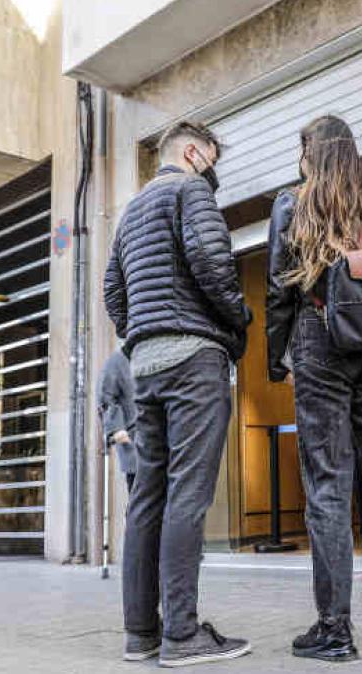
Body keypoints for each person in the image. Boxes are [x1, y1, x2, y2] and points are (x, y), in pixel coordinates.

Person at [266, 115, 362, 662]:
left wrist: (273, 358)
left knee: (329, 486)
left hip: (320, 341)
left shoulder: (293, 205)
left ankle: (335, 628)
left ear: (310, 153)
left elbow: (279, 291)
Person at [103, 120, 253, 666]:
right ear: (195, 152)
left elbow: (112, 290)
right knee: (188, 495)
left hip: (147, 365)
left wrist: (141, 335)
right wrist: (238, 323)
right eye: (214, 155)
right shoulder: (191, 190)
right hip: (194, 358)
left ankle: (141, 634)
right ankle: (183, 636)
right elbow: (214, 266)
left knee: (148, 497)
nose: (216, 167)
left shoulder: (131, 209)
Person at [97, 348, 138, 491]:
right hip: (135, 443)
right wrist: (117, 429)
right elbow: (105, 397)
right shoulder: (118, 360)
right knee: (140, 501)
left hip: (164, 444)